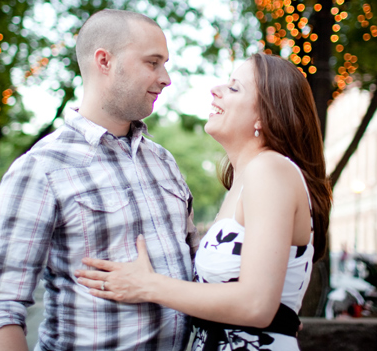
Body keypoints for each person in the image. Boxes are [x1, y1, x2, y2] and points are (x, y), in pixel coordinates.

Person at [0, 10, 198, 351]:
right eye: (152, 62)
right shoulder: (41, 168)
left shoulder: (163, 161)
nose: (166, 78)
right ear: (104, 61)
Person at [76, 53, 332, 351]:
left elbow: (256, 305)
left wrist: (147, 285)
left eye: (235, 88)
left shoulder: (270, 170)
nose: (216, 90)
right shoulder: (244, 182)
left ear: (266, 115)